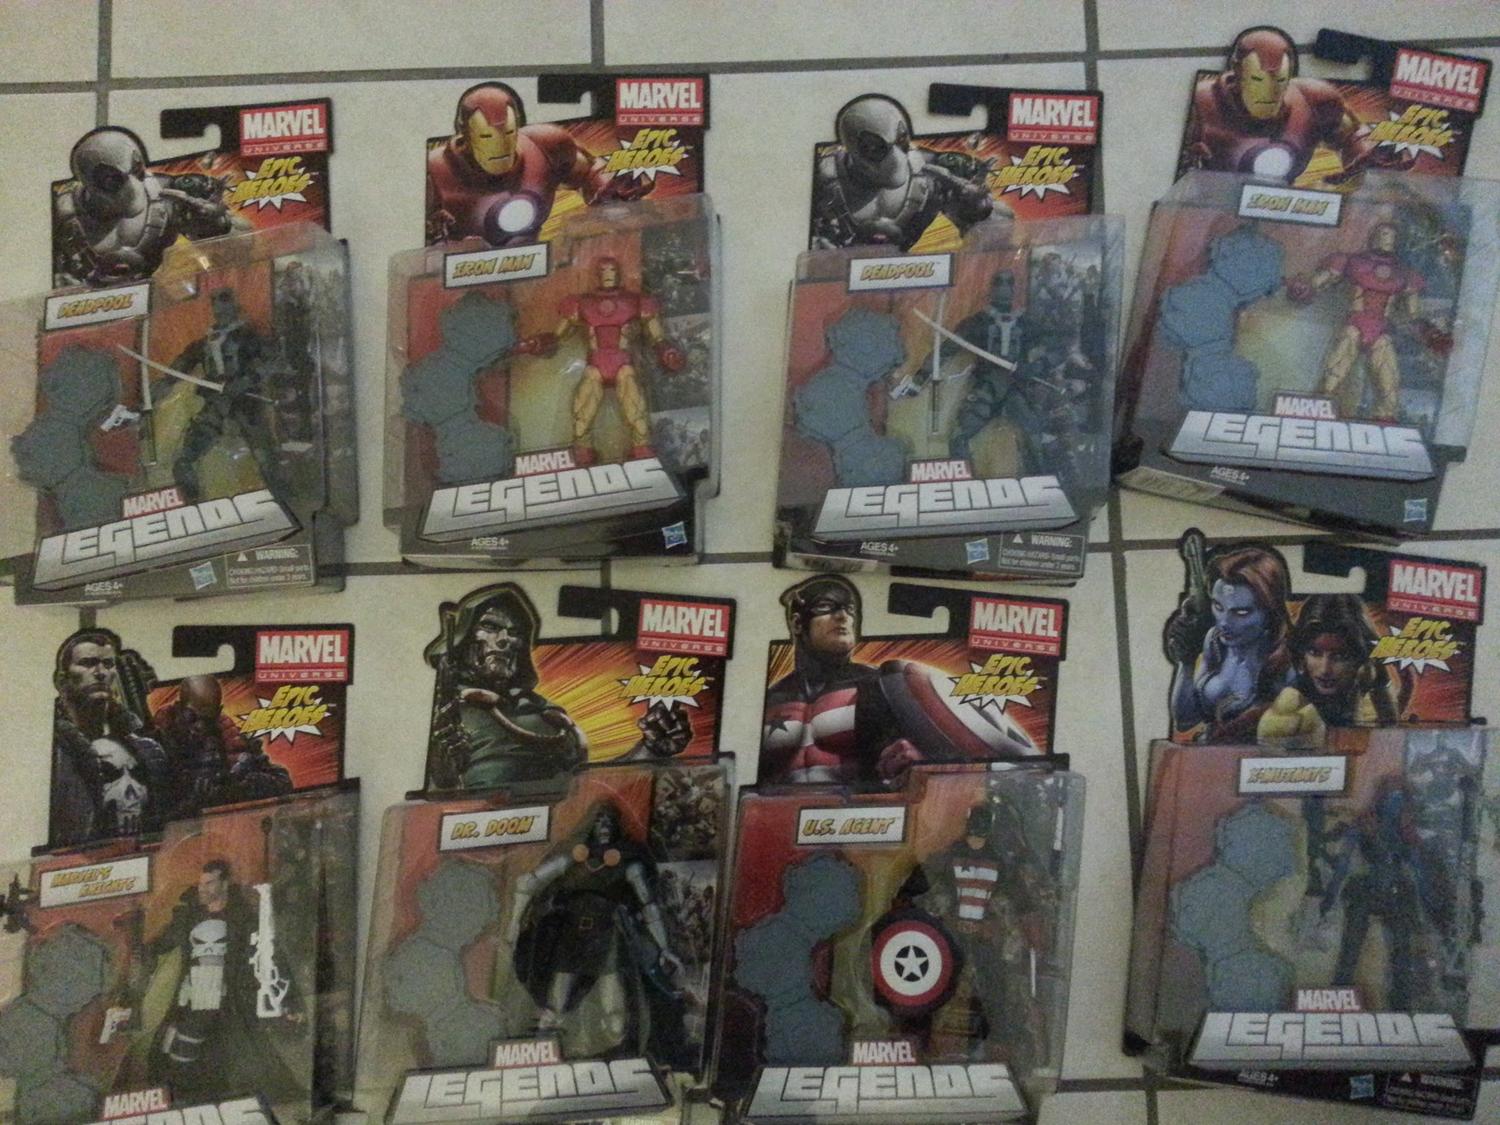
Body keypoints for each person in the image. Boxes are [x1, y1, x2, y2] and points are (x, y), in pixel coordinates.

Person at [49, 628, 168, 847]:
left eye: (108, 664)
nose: (100, 672)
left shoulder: (144, 747)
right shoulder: (52, 748)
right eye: (87, 663)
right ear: (62, 679)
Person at [1166, 541, 1295, 740]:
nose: (1224, 623)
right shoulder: (1216, 642)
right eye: (1219, 607)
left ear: (1270, 611)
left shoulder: (1286, 661)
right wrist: (1186, 662)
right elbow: (1184, 720)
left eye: (1241, 612)